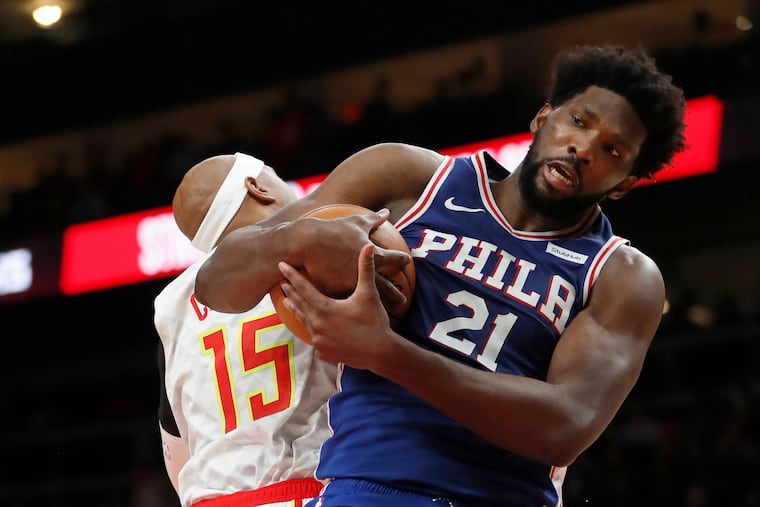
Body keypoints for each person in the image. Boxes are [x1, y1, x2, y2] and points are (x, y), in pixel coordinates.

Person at [194, 45, 687, 506]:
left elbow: (565, 426)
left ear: (623, 184)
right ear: (543, 118)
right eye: (578, 121)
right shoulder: (410, 178)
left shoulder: (621, 276)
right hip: (372, 489)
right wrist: (295, 238)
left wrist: (385, 352)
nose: (583, 147)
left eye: (613, 150)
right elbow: (214, 283)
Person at [153, 152, 338, 507]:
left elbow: (177, 454)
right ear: (256, 187)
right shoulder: (319, 246)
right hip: (312, 489)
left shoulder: (171, 302)